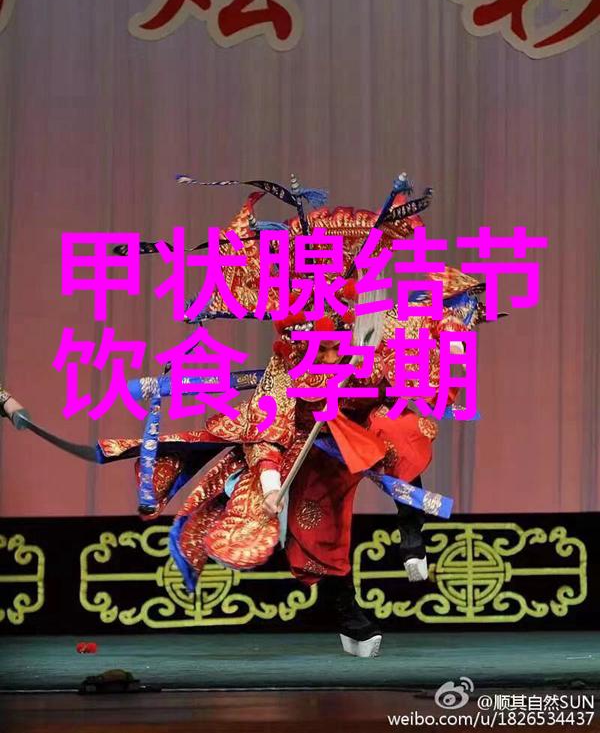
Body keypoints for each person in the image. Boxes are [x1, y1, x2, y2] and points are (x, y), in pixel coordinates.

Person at [94, 175, 486, 656]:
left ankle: (411, 533)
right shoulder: (291, 354)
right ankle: (347, 610)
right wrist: (269, 483)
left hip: (371, 413)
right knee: (318, 521)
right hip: (314, 434)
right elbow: (268, 419)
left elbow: (424, 331)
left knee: (402, 434)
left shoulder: (373, 316)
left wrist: (444, 330)